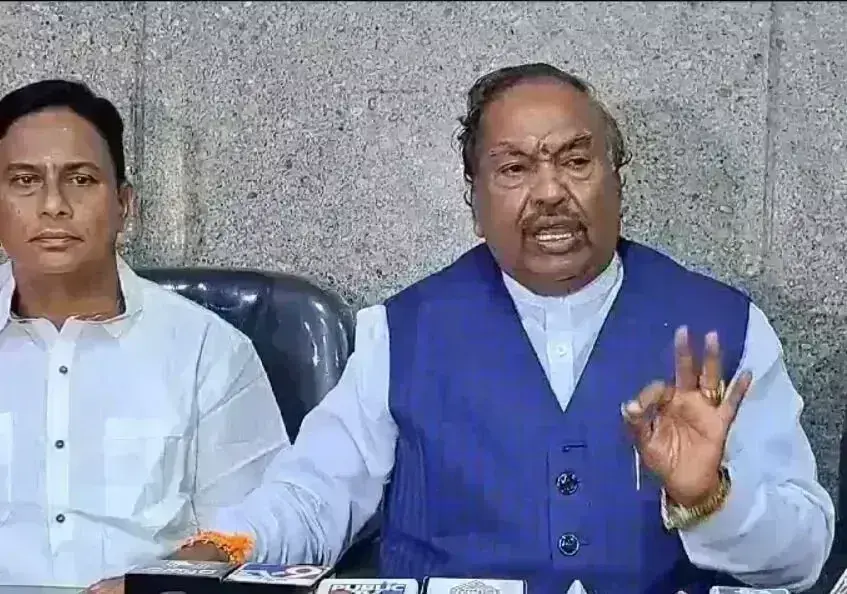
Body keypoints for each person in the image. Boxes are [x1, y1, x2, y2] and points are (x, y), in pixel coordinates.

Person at [175, 63, 834, 593]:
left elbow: (804, 557)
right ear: (474, 198)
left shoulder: (722, 331)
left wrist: (710, 499)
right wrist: (208, 555)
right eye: (515, 168)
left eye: (575, 161)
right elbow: (312, 499)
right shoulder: (401, 333)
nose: (549, 192)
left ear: (617, 180)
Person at [0, 79, 290, 589]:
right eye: (25, 180)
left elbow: (251, 532)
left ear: (124, 204)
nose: (53, 204)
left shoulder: (208, 353)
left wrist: (154, 584)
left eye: (81, 179)